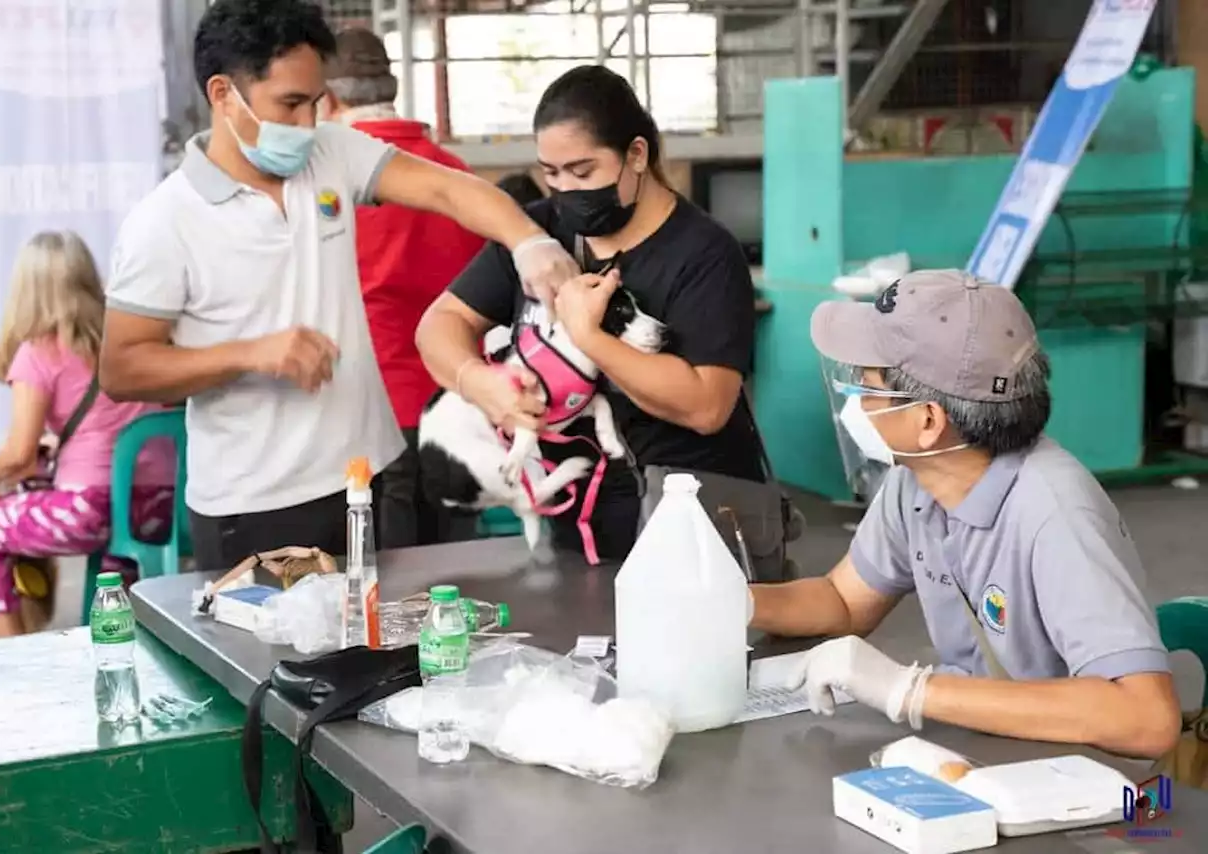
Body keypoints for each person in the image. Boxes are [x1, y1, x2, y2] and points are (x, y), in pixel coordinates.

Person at [100, 0, 578, 571]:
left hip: (363, 478)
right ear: (223, 94)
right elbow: (122, 368)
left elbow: (449, 191)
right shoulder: (164, 223)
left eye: (316, 101)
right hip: (254, 505)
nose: (307, 124)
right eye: (290, 105)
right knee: (272, 659)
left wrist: (529, 240)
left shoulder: (330, 154)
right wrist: (252, 354)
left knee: (379, 651)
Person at [750, 269, 1180, 760]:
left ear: (928, 421)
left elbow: (1147, 719)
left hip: (1066, 774)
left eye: (866, 386)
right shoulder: (916, 482)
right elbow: (842, 601)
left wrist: (908, 689)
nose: (857, 403)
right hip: (979, 745)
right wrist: (730, 602)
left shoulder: (1054, 513)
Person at [415, 65, 761, 560]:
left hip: (684, 523)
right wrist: (477, 382)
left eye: (583, 172)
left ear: (636, 154)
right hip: (580, 527)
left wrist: (590, 336)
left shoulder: (704, 254)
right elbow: (439, 325)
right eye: (551, 173)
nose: (567, 190)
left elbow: (706, 406)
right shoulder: (539, 234)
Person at [0, 232, 174, 638]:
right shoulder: (125, 343)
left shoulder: (39, 351)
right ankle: (114, 642)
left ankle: (11, 655)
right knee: (114, 560)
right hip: (157, 506)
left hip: (92, 509)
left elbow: (20, 454)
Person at [321, 25, 486, 549]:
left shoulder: (327, 184)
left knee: (382, 582)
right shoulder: (456, 176)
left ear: (327, 99)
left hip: (367, 412)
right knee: (454, 577)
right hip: (456, 404)